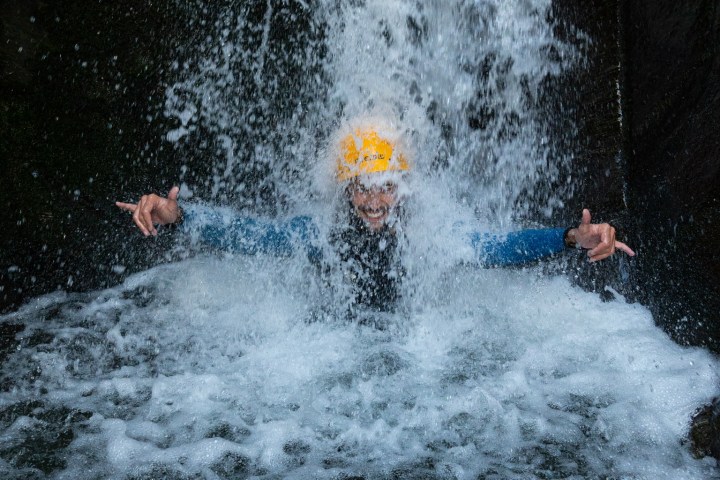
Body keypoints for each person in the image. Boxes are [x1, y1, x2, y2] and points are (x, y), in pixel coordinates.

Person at [116, 126, 635, 314]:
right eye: (363, 186)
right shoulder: (317, 234)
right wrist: (180, 216)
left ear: (402, 191)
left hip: (408, 356)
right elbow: (251, 235)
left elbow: (498, 248)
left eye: (386, 186)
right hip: (339, 351)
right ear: (346, 189)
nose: (374, 201)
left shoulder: (430, 235)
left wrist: (569, 236)